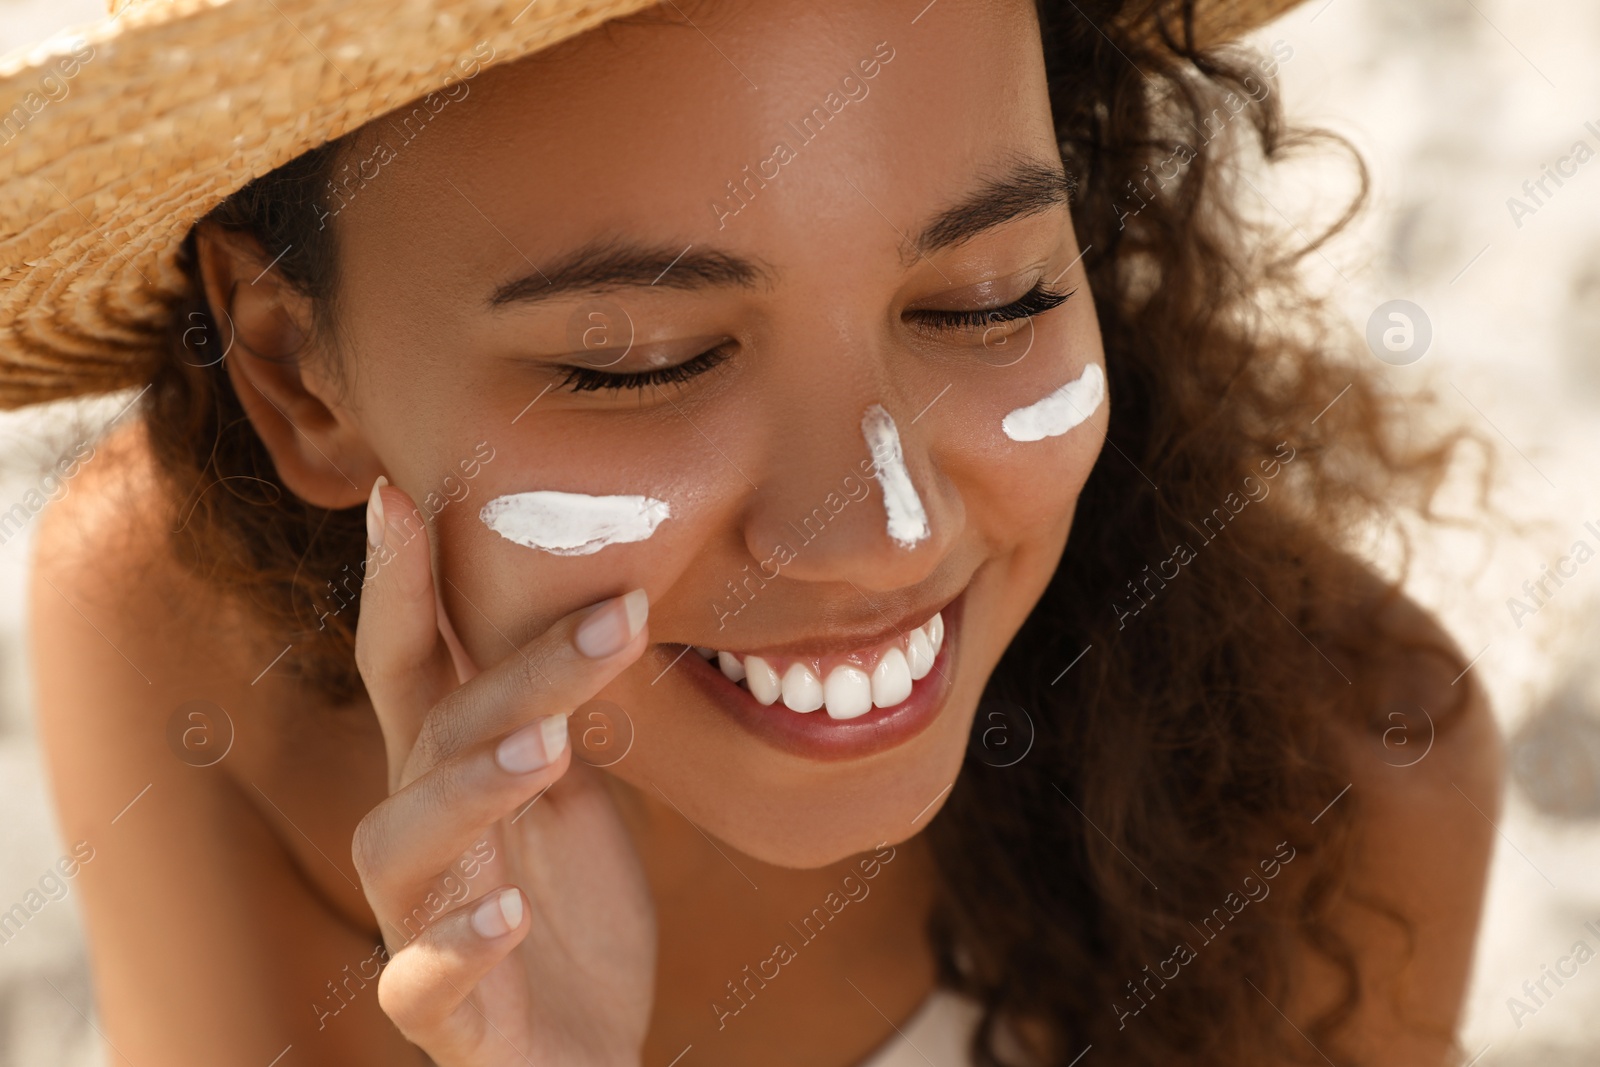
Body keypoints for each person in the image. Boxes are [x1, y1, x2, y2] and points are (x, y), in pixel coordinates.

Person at [1, 0, 1503, 1063]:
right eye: (641, 362)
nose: (880, 534)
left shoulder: (1346, 795)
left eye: (993, 301)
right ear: (290, 369)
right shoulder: (187, 645)